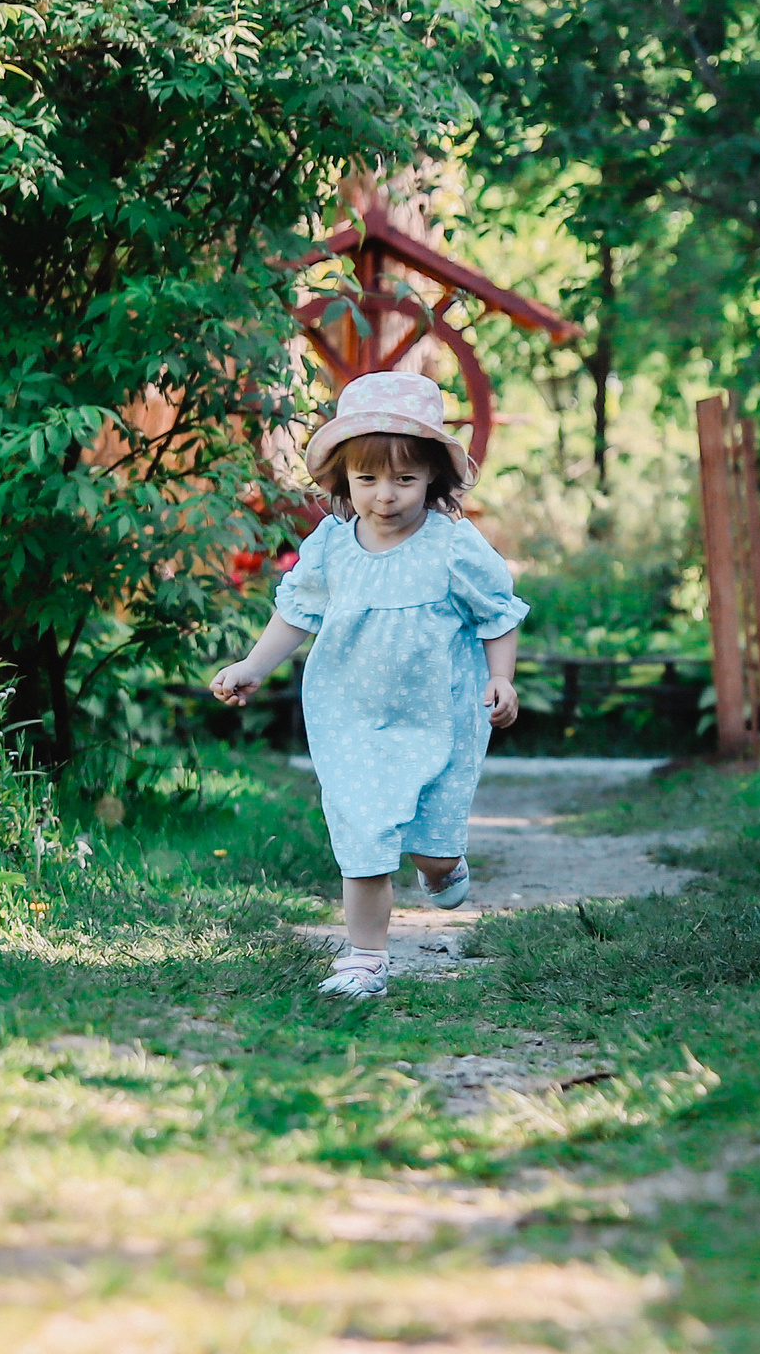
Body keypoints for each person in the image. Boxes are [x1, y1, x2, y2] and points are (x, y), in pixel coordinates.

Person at [210, 371, 529, 998]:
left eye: (405, 479)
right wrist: (253, 666)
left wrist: (501, 679)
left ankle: (442, 866)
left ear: (434, 476)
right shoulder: (331, 544)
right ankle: (365, 959)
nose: (386, 495)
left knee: (431, 852)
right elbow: (297, 611)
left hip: (438, 719)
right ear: (342, 480)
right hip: (349, 715)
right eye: (368, 480)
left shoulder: (454, 546)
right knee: (364, 835)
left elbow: (498, 612)